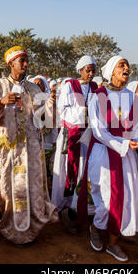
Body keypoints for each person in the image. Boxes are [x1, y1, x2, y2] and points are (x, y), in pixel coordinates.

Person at [77, 56, 138, 262]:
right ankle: (96, 228)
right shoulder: (99, 96)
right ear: (111, 71)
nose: (126, 68)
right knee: (106, 198)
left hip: (127, 156)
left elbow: (137, 131)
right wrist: (124, 145)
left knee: (127, 198)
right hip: (105, 155)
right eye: (121, 65)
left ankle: (113, 243)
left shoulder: (133, 98)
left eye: (127, 65)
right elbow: (99, 131)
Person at [0, 45, 58, 245]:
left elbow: (45, 121)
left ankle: (28, 229)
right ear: (10, 64)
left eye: (26, 60)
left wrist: (50, 104)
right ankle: (4, 223)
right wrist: (1, 102)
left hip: (30, 149)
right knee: (5, 188)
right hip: (6, 150)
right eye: (21, 60)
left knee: (31, 188)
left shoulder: (33, 88)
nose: (25, 64)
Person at [52, 56, 98, 234]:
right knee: (67, 171)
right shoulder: (70, 85)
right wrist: (84, 112)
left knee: (84, 173)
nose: (91, 74)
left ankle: (79, 209)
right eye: (88, 70)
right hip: (70, 137)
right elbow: (63, 110)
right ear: (80, 70)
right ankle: (64, 210)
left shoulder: (95, 87)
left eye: (93, 70)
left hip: (88, 137)